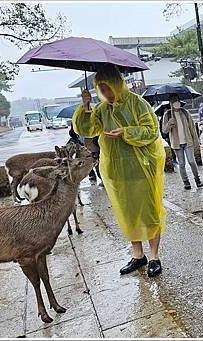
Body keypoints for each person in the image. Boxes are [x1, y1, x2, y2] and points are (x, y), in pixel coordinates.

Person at [72, 64, 166, 277]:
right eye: (101, 90)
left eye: (108, 88)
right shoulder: (102, 109)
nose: (105, 93)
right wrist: (86, 107)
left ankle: (154, 256)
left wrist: (126, 131)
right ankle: (138, 255)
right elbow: (87, 130)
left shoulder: (137, 103)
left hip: (141, 167)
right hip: (116, 170)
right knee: (127, 213)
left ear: (117, 85)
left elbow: (151, 131)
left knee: (148, 212)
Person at [162, 94, 203, 190]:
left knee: (192, 161)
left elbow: (192, 128)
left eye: (177, 101)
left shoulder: (185, 112)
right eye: (174, 101)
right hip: (176, 143)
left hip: (188, 141)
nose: (176, 103)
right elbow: (164, 130)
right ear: (171, 104)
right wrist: (169, 124)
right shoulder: (167, 115)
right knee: (181, 163)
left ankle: (197, 179)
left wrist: (196, 142)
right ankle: (186, 182)